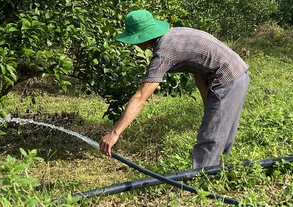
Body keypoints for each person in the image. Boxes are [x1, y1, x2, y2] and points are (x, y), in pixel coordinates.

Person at [99, 10, 250, 169]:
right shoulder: (174, 35)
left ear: (141, 36)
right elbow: (198, 69)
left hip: (227, 78)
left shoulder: (164, 53)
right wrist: (208, 102)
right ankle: (220, 173)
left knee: (211, 137)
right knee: (222, 132)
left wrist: (114, 133)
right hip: (238, 73)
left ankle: (202, 184)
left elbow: (141, 97)